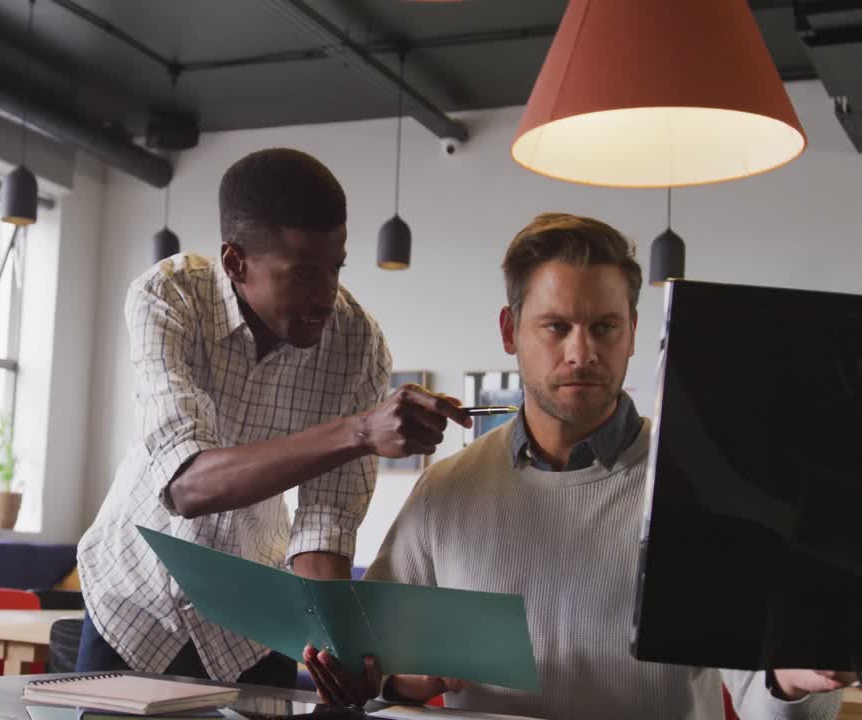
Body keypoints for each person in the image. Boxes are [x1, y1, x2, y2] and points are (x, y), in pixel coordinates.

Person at [303, 213, 847, 719]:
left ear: (633, 331)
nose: (581, 351)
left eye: (604, 327)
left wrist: (790, 681)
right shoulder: (444, 491)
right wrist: (396, 680)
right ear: (509, 331)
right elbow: (372, 663)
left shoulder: (707, 491)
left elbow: (761, 696)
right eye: (556, 327)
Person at [76, 148, 471, 688]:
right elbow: (187, 484)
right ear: (236, 262)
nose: (326, 295)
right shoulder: (168, 297)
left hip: (252, 627)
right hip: (133, 605)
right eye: (304, 274)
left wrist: (336, 643)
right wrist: (358, 432)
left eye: (336, 268)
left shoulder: (357, 343)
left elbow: (325, 523)